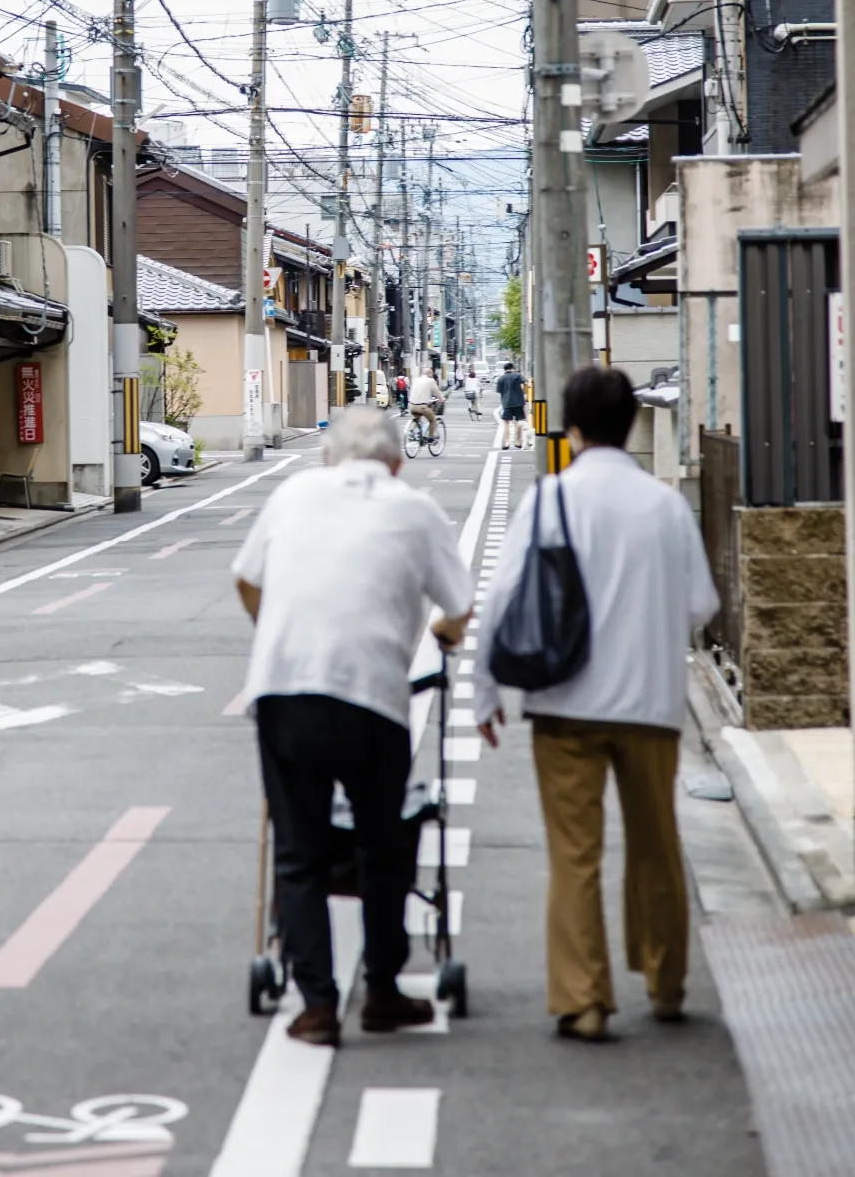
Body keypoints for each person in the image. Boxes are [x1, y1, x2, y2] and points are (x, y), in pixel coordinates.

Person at [472, 366, 719, 1043]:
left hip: (564, 703)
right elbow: (703, 605)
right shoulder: (665, 506)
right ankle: (666, 985)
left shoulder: (549, 502)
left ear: (571, 428)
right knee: (656, 845)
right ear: (634, 423)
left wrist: (485, 695)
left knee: (575, 855)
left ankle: (584, 1000)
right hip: (650, 705)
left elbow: (500, 603)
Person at [233, 407, 474, 1046]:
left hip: (286, 690)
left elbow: (247, 579)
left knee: (299, 851)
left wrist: (280, 636)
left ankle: (315, 1008)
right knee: (382, 846)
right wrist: (441, 636)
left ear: (327, 459)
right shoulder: (416, 508)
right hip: (374, 697)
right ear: (396, 463)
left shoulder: (293, 493)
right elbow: (459, 607)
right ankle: (384, 996)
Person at [495, 362, 527, 449]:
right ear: (512, 368)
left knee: (506, 423)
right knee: (519, 421)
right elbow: (526, 382)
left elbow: (499, 390)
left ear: (504, 369)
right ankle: (517, 441)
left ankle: (507, 442)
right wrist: (524, 392)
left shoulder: (501, 378)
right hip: (518, 402)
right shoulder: (517, 375)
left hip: (507, 403)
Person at [408, 368, 444, 441]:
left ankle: (411, 432)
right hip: (422, 406)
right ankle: (430, 438)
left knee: (416, 418)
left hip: (411, 405)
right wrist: (441, 399)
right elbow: (437, 392)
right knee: (432, 420)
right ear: (430, 374)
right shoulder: (431, 381)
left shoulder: (415, 380)